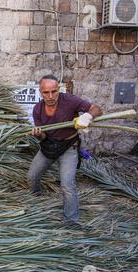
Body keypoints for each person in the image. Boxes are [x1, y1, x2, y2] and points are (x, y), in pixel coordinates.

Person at [27, 74, 103, 224]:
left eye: (54, 91)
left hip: (69, 147)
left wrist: (87, 116)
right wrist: (38, 135)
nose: (50, 96)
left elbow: (97, 109)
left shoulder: (69, 100)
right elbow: (43, 137)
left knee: (67, 185)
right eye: (46, 92)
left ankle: (71, 221)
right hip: (48, 146)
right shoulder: (38, 109)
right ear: (40, 92)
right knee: (31, 176)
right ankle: (36, 201)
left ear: (59, 89)